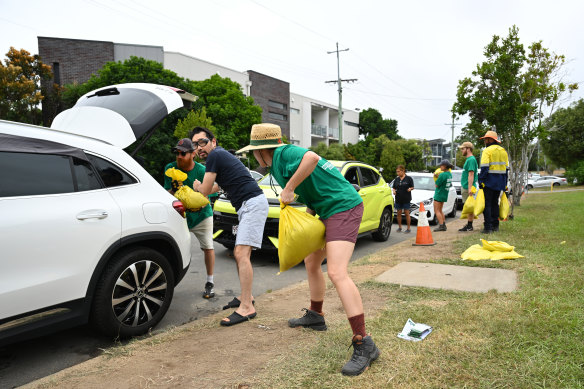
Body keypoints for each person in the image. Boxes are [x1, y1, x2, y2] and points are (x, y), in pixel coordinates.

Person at [237, 123, 380, 377]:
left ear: (261, 150)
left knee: (337, 272)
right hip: (326, 210)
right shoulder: (278, 166)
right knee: (312, 263)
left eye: (253, 153)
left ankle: (364, 342)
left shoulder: (284, 153)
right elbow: (313, 189)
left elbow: (312, 158)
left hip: (344, 207)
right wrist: (309, 222)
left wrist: (289, 188)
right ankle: (316, 315)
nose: (253, 157)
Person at [190, 127, 269, 326]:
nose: (199, 148)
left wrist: (197, 187)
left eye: (202, 142)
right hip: (247, 205)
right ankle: (246, 297)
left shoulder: (215, 155)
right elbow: (218, 187)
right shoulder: (220, 156)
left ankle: (247, 308)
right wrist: (204, 187)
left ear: (213, 141)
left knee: (241, 254)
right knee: (239, 253)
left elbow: (206, 190)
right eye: (195, 145)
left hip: (251, 204)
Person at [164, 138, 216, 299]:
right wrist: (173, 190)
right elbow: (166, 196)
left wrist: (198, 190)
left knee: (208, 247)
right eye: (176, 152)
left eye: (183, 153)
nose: (178, 156)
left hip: (202, 215)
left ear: (193, 154)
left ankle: (210, 282)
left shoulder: (202, 171)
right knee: (171, 248)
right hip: (181, 215)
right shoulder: (170, 168)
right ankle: (167, 284)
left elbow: (208, 196)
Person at [478, 128, 509, 234]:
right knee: (495, 203)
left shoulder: (487, 151)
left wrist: (481, 180)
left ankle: (488, 227)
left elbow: (485, 168)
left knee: (487, 204)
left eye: (485, 139)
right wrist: (505, 183)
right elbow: (506, 169)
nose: (485, 141)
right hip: (500, 182)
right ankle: (495, 225)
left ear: (490, 140)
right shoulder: (503, 151)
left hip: (489, 181)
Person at [458, 141, 478, 232]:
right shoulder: (469, 159)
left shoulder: (471, 160)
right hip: (466, 186)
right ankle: (469, 224)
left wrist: (470, 188)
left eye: (463, 149)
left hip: (468, 187)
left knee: (469, 207)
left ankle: (469, 226)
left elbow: (471, 174)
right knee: (468, 206)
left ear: (468, 149)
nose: (461, 150)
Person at [392, 165, 414, 233]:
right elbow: (394, 187)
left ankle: (408, 228)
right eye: (397, 172)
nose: (397, 173)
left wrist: (410, 189)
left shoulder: (409, 178)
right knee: (398, 213)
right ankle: (400, 227)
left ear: (403, 171)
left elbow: (412, 187)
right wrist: (394, 191)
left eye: (398, 171)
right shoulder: (396, 179)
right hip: (398, 198)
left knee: (407, 213)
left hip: (406, 198)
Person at [433, 159, 453, 232]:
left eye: (441, 165)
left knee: (437, 210)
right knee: (440, 210)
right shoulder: (449, 174)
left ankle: (441, 225)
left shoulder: (442, 174)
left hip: (439, 194)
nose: (440, 167)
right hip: (445, 193)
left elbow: (436, 185)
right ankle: (443, 224)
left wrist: (436, 176)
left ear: (444, 166)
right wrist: (438, 176)